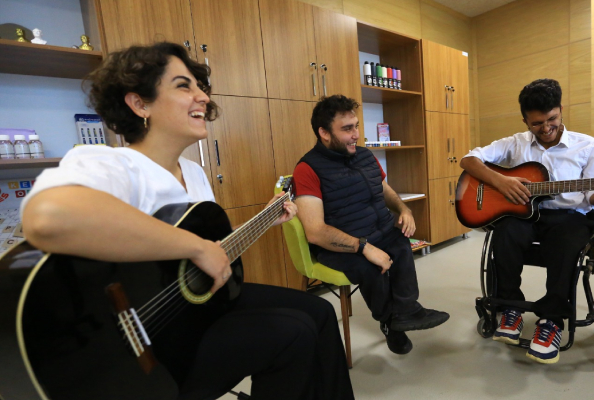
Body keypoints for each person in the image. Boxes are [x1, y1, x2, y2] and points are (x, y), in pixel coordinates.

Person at [21, 42, 354, 400]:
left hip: (194, 306)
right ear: (140, 104)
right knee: (293, 333)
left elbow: (206, 248)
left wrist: (264, 219)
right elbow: (47, 218)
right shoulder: (109, 164)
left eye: (200, 87)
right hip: (147, 340)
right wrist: (196, 247)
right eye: (183, 86)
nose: (204, 98)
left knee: (320, 311)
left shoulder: (193, 172)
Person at [459, 78, 594, 364]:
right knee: (504, 234)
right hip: (525, 214)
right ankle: (511, 308)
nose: (545, 128)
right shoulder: (516, 143)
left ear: (561, 110)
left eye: (552, 119)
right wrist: (500, 181)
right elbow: (469, 160)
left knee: (565, 243)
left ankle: (551, 321)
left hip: (570, 217)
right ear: (525, 121)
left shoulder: (586, 145)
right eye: (536, 123)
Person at [292, 95, 449, 356]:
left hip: (381, 232)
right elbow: (315, 232)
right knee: (370, 267)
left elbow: (384, 189)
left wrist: (404, 209)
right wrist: (363, 247)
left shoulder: (365, 155)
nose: (356, 135)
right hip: (340, 245)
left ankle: (407, 310)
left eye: (356, 126)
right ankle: (390, 323)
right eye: (347, 129)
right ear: (324, 133)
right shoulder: (307, 169)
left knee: (401, 244)